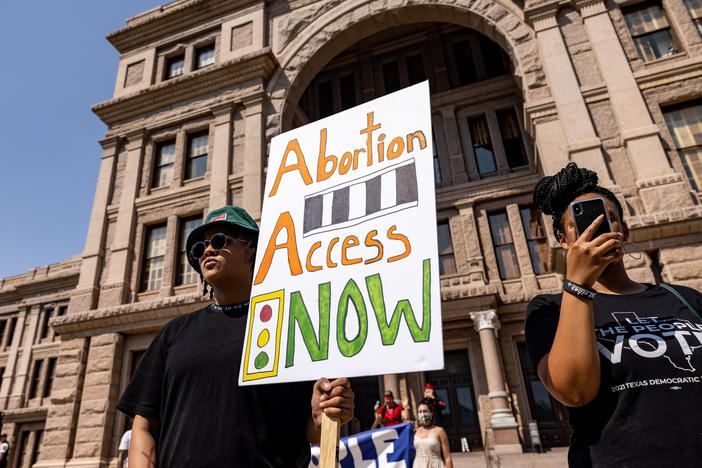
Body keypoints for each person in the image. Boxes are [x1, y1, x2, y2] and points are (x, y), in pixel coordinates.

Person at [117, 206, 354, 467]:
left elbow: (314, 430)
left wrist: (325, 416)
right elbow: (143, 427)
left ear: (252, 250)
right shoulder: (173, 333)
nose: (207, 250)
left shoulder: (291, 325)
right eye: (200, 248)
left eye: (220, 241)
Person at [525, 163, 702, 467]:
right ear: (563, 240)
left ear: (624, 229)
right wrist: (578, 285)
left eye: (609, 219)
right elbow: (575, 391)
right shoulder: (550, 310)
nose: (599, 227)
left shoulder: (685, 298)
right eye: (583, 223)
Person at [413, 402, 452, 468]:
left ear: (431, 413)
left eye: (425, 411)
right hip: (418, 465)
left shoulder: (439, 430)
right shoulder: (415, 432)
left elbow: (447, 457)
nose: (422, 414)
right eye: (420, 412)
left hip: (435, 465)